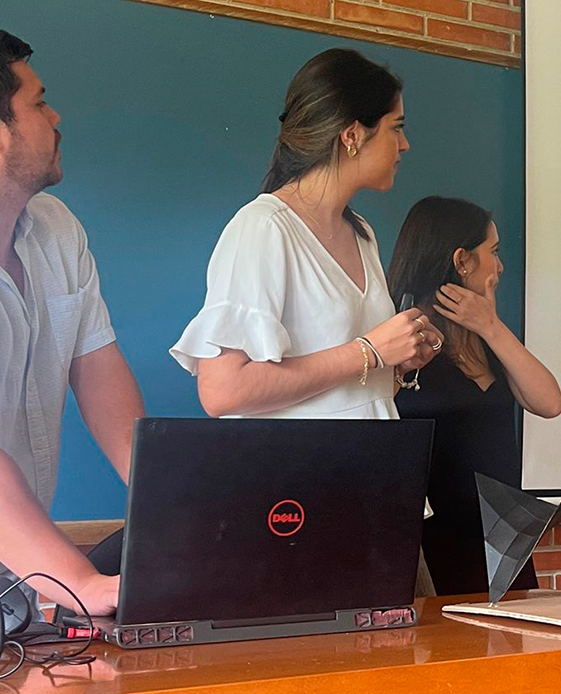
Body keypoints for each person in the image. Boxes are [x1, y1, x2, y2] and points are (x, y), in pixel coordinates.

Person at [169, 48, 443, 588]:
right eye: (396, 127)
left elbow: (353, 378)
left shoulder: (361, 232)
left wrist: (403, 357)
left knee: (418, 663)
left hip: (381, 492)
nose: (405, 144)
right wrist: (369, 351)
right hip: (301, 508)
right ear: (351, 135)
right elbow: (222, 391)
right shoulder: (264, 229)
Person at [0, 29, 144, 617]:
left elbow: (100, 373)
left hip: (19, 578)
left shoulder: (56, 229)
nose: (56, 117)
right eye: (37, 103)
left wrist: (175, 509)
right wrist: (82, 582)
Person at [388, 196, 561, 595]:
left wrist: (492, 326)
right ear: (462, 261)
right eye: (494, 252)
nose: (500, 266)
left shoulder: (491, 339)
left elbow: (549, 403)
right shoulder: (404, 336)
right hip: (433, 549)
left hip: (507, 543)